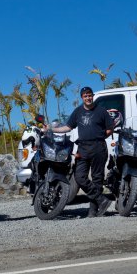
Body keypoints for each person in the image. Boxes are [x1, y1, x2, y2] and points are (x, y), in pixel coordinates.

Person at [53, 86, 114, 217]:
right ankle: (102, 200)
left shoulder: (101, 111)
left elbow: (110, 128)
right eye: (85, 96)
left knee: (97, 179)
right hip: (82, 148)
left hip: (99, 147)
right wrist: (52, 130)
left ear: (92, 96)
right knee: (79, 177)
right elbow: (67, 127)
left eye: (90, 95)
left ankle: (93, 210)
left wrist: (100, 137)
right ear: (82, 98)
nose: (88, 98)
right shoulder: (77, 112)